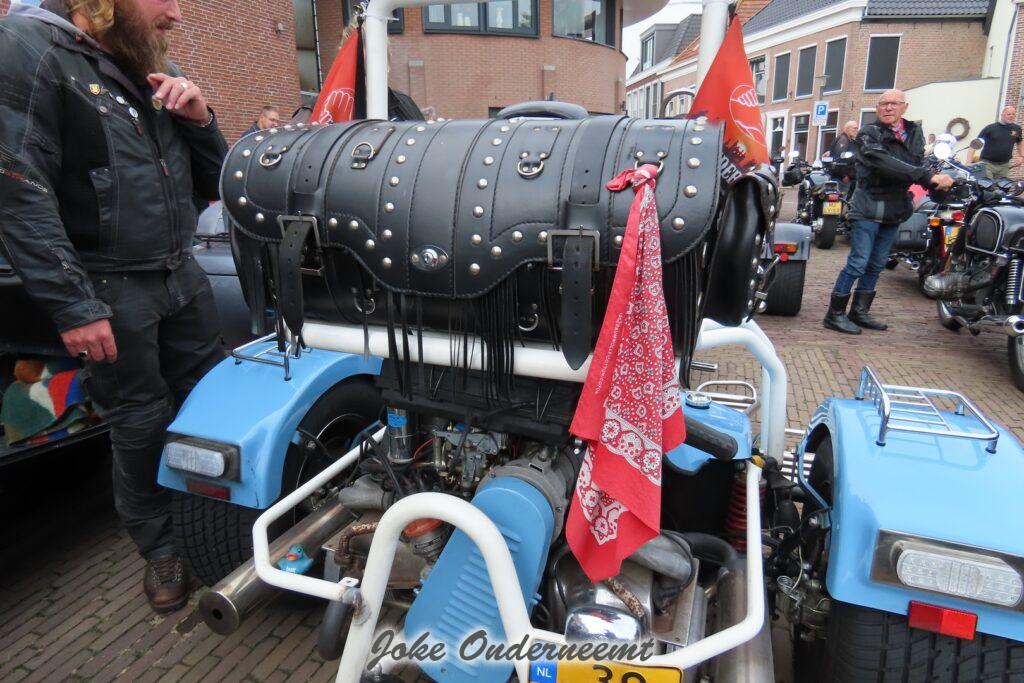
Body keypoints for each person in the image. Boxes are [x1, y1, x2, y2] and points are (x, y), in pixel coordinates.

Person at [0, 0, 227, 612]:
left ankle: (216, 522)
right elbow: (16, 188)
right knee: (140, 421)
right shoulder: (28, 48)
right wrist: (75, 306)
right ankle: (162, 548)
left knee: (212, 403)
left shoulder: (148, 63)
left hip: (180, 272)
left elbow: (216, 184)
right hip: (111, 287)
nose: (176, 14)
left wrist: (201, 120)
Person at [824, 90, 953, 335]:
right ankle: (835, 314)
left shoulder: (914, 132)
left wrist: (936, 180)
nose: (888, 108)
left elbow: (916, 163)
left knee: (877, 263)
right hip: (868, 205)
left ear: (905, 107)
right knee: (858, 263)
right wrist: (925, 176)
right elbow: (883, 162)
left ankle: (859, 311)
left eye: (894, 103)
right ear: (877, 108)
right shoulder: (868, 133)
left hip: (894, 208)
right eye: (883, 103)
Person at [975, 106, 1023, 179]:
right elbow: (975, 143)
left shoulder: (1016, 129)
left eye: (1013, 114)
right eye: (1009, 114)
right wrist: (968, 162)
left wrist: (1021, 156)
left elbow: (1019, 141)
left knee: (1003, 185)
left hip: (1004, 165)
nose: (1011, 116)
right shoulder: (991, 128)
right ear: (1002, 114)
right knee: (988, 185)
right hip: (987, 164)